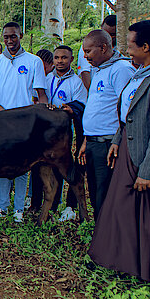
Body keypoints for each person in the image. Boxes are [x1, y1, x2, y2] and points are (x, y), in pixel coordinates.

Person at [88, 20, 150, 281]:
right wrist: (117, 140)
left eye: (131, 45)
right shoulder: (140, 73)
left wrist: (147, 171)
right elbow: (127, 114)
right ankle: (123, 261)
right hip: (130, 151)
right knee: (121, 209)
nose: (126, 49)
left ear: (145, 47)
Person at [0, 22, 47, 222]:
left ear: (21, 35)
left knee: (23, 166)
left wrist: (44, 122)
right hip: (2, 123)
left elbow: (41, 94)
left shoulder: (34, 61)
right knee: (4, 164)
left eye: (13, 36)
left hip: (26, 124)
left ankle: (19, 209)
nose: (10, 40)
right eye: (6, 37)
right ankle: (2, 206)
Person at [79, 29, 135, 220]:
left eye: (88, 51)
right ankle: (100, 230)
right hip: (94, 142)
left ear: (103, 48)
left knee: (106, 192)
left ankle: (109, 233)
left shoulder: (121, 69)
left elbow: (127, 111)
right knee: (96, 191)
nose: (85, 57)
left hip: (109, 143)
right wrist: (86, 140)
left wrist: (117, 141)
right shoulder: (99, 70)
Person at [33, 45, 88, 220]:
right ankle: (43, 205)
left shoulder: (77, 82)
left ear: (71, 59)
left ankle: (66, 206)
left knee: (63, 166)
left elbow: (81, 104)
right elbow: (37, 98)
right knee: (43, 166)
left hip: (64, 131)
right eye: (56, 58)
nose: (60, 61)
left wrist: (69, 108)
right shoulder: (46, 78)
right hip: (44, 131)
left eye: (64, 58)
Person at [78, 15, 117, 89]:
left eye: (113, 34)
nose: (109, 37)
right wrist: (93, 91)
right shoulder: (89, 45)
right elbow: (85, 72)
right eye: (106, 33)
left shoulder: (122, 65)